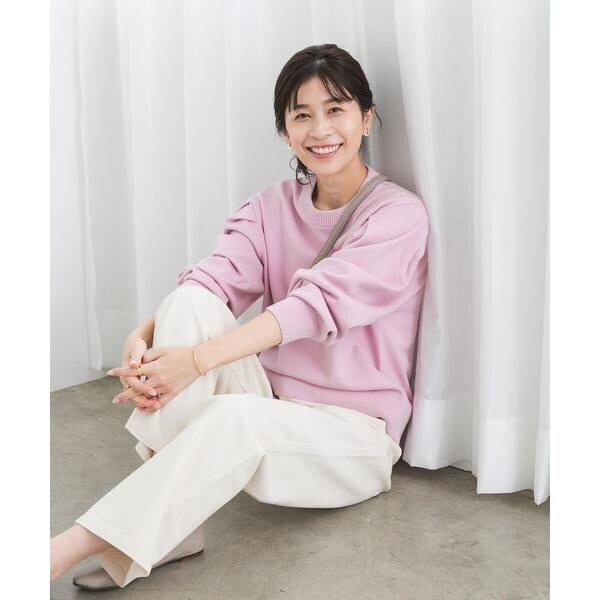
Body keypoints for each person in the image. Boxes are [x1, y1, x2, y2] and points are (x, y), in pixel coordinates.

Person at [50, 43, 429, 590]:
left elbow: (313, 307)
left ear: (366, 118)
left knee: (233, 416)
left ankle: (62, 550)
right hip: (270, 398)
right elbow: (213, 280)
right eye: (302, 115)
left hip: (351, 435)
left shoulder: (398, 215)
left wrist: (195, 362)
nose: (321, 129)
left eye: (336, 109)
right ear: (284, 131)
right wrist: (141, 335)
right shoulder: (271, 206)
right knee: (189, 303)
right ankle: (178, 530)